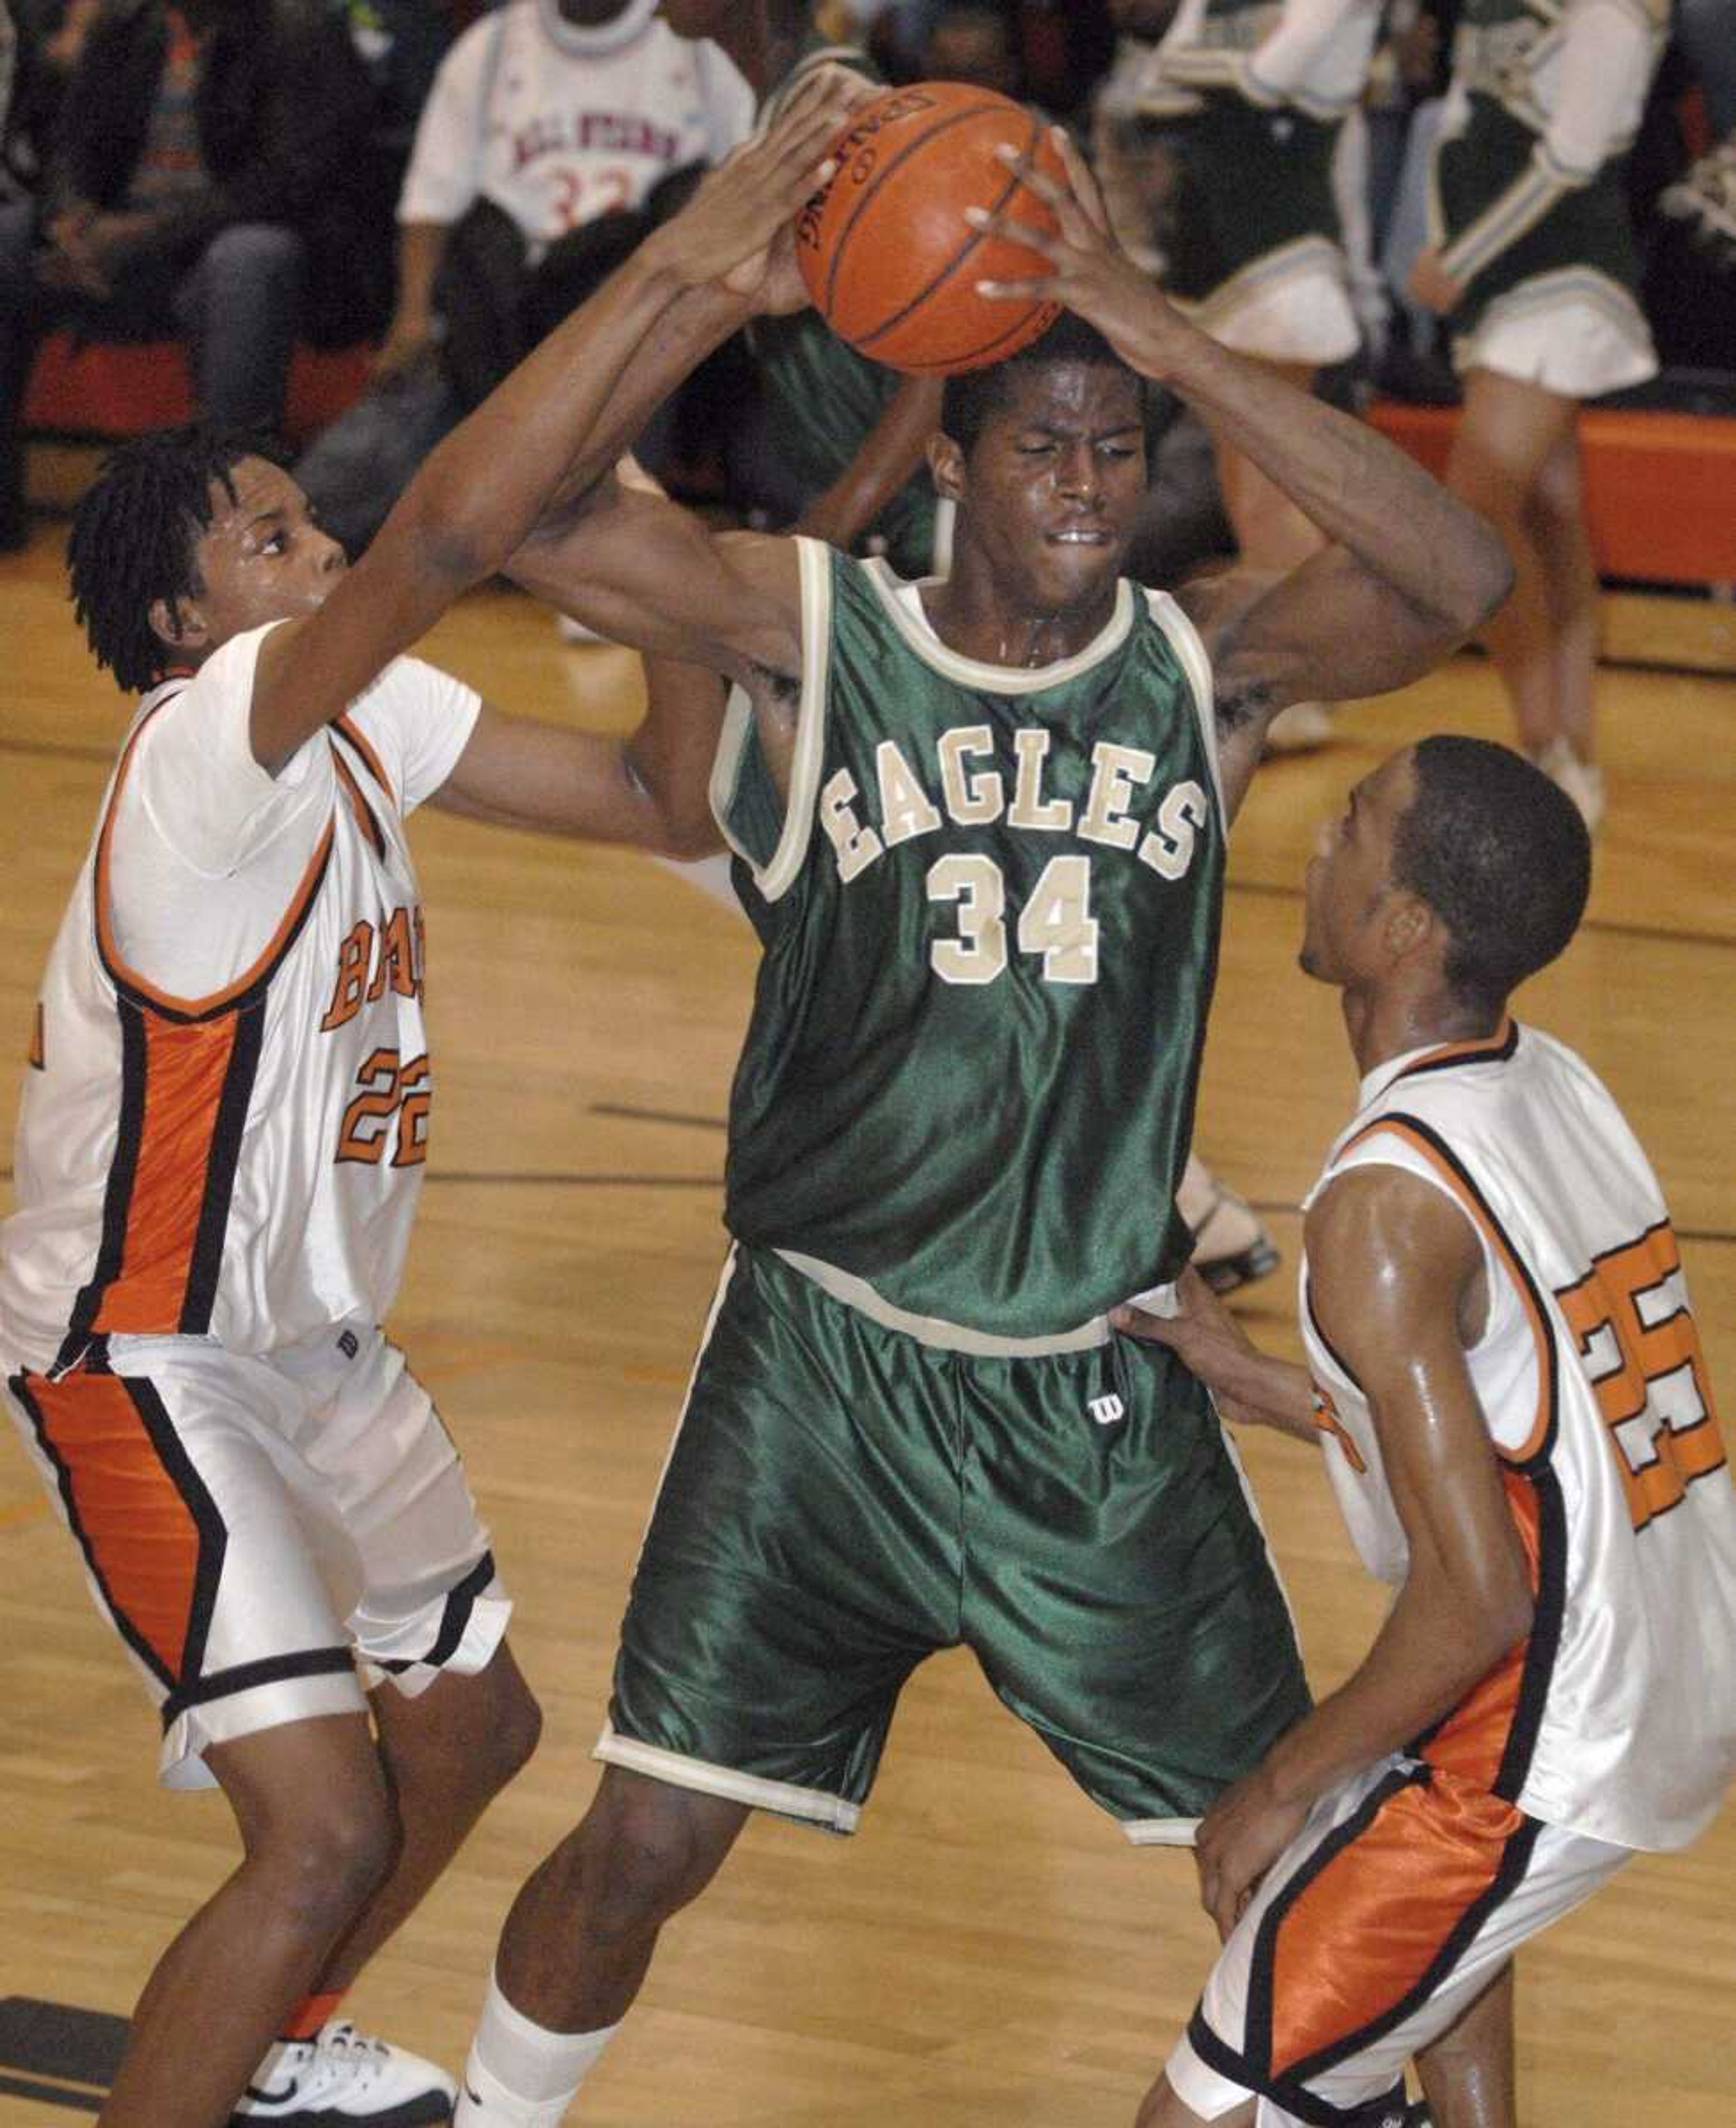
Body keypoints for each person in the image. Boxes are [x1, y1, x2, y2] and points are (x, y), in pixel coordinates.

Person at [436, 124, 1512, 2124]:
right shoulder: (815, 631)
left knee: (1297, 1866)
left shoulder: (1209, 670)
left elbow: (1461, 577)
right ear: (950, 465)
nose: (1090, 486)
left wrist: (1148, 327)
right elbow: (513, 515)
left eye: (1116, 449)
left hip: (1087, 1400)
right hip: (820, 1375)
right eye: (1045, 448)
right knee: (642, 1853)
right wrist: (689, 274)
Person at [0, 78, 860, 2128]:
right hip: (148, 1353)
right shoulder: (215, 733)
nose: (317, 552)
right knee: (308, 1831)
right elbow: (462, 522)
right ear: (192, 619)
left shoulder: (360, 721)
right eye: (272, 537)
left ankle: (277, 2056)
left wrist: (645, 503)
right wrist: (673, 275)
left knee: (473, 1733)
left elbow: (666, 807)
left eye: (312, 519)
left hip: (320, 1352)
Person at [1115, 734, 1736, 2126]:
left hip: (1540, 1728)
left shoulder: (1382, 1210)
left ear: (1400, 927)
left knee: (1207, 2106)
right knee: (1418, 1978)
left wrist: (1272, 1787)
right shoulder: (1545, 1084)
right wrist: (1248, 1372)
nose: (1313, 842)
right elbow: (1522, 1426)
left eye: (1345, 826)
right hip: (1662, 1644)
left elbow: (1473, 1597)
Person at [293, 0, 755, 557]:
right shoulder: (489, 47)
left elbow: (746, 188)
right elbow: (430, 205)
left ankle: (606, 540)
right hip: (498, 325)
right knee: (329, 499)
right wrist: (412, 318)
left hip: (639, 321)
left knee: (648, 282)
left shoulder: (692, 43)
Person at [1406, 0, 1670, 832]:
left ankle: (1546, 749)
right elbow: (1460, 124)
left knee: (1475, 513)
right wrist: (1449, 246)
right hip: (1502, 284)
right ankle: (1567, 756)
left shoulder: (1612, 10)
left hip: (1562, 279)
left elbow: (1571, 160)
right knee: (1551, 518)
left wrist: (1462, 258)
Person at [0, 0, 375, 552]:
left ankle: (232, 521)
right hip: (123, 256)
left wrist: (137, 236)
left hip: (230, 253)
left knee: (247, 258)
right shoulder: (124, 26)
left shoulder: (299, 28)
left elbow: (287, 181)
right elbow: (66, 145)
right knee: (8, 237)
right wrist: (70, 218)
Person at [1130, 0, 1386, 752]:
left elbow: (1266, 79)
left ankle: (1313, 680)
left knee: (1273, 489)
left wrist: (1215, 66)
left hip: (1283, 251)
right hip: (1212, 249)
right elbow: (1158, 88)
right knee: (1245, 492)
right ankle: (1284, 685)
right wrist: (1223, 67)